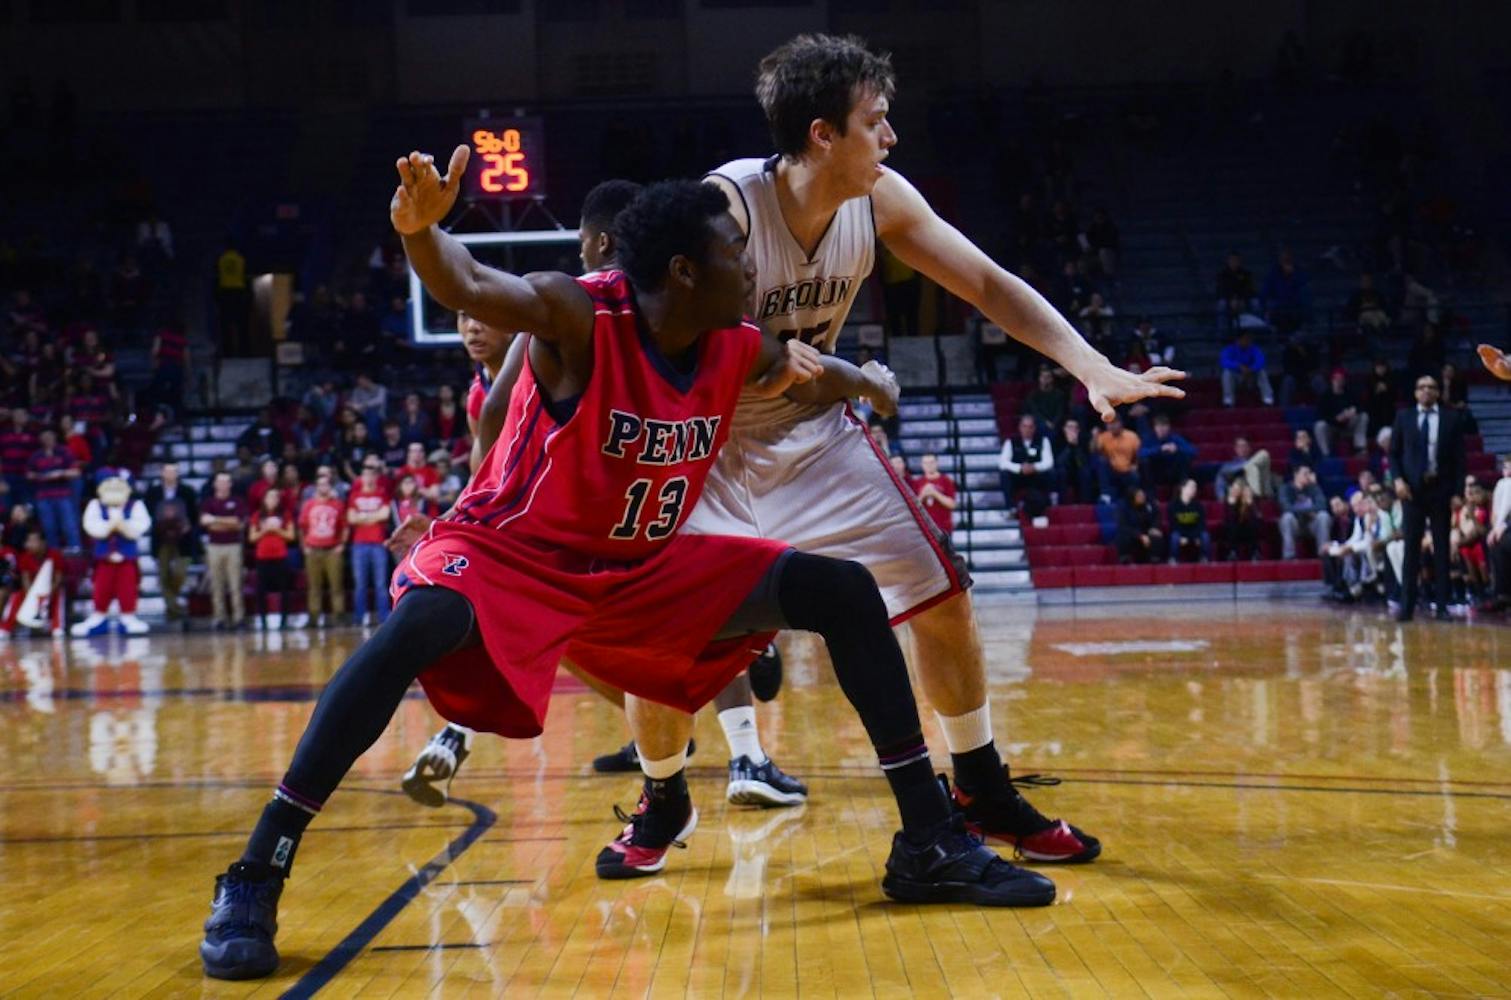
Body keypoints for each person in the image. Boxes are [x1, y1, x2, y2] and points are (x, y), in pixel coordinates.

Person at [197, 175, 1057, 983]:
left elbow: (806, 371)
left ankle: (927, 840)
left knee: (842, 591)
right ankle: (257, 868)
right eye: (733, 252)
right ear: (683, 271)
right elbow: (471, 284)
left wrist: (866, 385)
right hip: (514, 555)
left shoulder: (733, 344)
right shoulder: (577, 313)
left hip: (636, 570)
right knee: (416, 628)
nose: (749, 268)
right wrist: (421, 231)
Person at [1389, 373, 1468, 621]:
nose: (1426, 390)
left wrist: (1458, 492)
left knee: (1441, 549)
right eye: (1421, 386)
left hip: (1440, 489)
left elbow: (1460, 460)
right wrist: (1398, 480)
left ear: (1438, 392)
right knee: (1411, 548)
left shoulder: (1451, 418)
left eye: (1431, 387)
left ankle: (1442, 606)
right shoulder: (1404, 417)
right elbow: (1393, 454)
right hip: (1412, 491)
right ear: (1415, 392)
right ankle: (1407, 607)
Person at [145, 462, 198, 625]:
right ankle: (175, 608)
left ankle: (172, 607)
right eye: (168, 471)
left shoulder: (187, 491)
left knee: (180, 573)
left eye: (174, 471)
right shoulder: (153, 492)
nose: (171, 474)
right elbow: (148, 513)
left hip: (183, 539)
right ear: (162, 473)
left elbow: (194, 515)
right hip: (161, 539)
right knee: (163, 575)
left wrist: (187, 526)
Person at [346, 457, 392, 627]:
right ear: (361, 478)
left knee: (381, 583)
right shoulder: (354, 495)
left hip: (378, 543)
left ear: (376, 477)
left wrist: (363, 517)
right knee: (360, 584)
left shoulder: (382, 493)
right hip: (359, 544)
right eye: (365, 475)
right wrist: (374, 516)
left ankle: (384, 618)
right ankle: (359, 619)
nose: (369, 478)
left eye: (372, 475)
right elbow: (351, 518)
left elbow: (385, 514)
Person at [298, 470, 347, 627]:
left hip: (333, 550)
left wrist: (342, 545)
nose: (323, 487)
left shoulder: (338, 504)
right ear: (316, 487)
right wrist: (304, 546)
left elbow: (345, 527)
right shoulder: (308, 505)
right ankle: (313, 618)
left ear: (330, 487)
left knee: (336, 586)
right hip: (313, 549)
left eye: (326, 485)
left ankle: (339, 617)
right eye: (320, 485)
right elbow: (301, 527)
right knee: (314, 587)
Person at [200, 471, 248, 630]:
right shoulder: (208, 502)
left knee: (236, 584)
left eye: (226, 481)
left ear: (230, 484)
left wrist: (215, 519)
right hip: (214, 547)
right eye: (220, 481)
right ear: (215, 484)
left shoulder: (238, 501)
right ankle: (219, 618)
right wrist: (227, 523)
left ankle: (238, 618)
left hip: (234, 546)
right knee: (216, 584)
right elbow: (206, 524)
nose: (223, 484)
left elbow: (238, 523)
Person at [0, 528, 65, 638]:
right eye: (28, 541)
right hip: (31, 592)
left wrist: (47, 594)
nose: (29, 544)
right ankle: (5, 628)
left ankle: (57, 627)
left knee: (60, 594)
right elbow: (25, 579)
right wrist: (32, 596)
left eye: (33, 541)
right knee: (16, 596)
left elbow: (58, 579)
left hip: (51, 590)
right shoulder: (25, 557)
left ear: (43, 543)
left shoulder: (55, 555)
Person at [248, 488, 296, 630]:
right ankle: (263, 622)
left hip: (280, 557)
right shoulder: (257, 515)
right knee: (261, 591)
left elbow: (291, 536)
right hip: (263, 558)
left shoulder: (285, 514)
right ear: (264, 500)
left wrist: (277, 530)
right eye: (270, 497)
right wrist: (265, 530)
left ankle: (284, 621)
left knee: (284, 591)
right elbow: (252, 537)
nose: (272, 500)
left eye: (275, 497)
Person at [27, 427, 81, 551]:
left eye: (50, 436)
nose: (47, 439)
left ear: (55, 437)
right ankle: (53, 552)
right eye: (44, 437)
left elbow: (76, 472)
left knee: (69, 524)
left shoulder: (64, 452)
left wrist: (60, 473)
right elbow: (29, 474)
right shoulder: (36, 455)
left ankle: (75, 548)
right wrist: (41, 476)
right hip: (43, 496)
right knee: (49, 527)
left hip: (62, 495)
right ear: (41, 439)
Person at [997, 414, 1054, 516]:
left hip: (1036, 476)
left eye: (1030, 427)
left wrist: (1034, 467)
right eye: (1024, 426)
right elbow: (1002, 463)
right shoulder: (1011, 442)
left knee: (1050, 472)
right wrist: (1020, 468)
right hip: (1018, 476)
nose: (1027, 430)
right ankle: (1011, 508)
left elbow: (1049, 462)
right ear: (1020, 427)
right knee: (1004, 474)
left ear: (1034, 428)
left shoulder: (1043, 441)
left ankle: (1049, 503)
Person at [1278, 465, 1330, 560]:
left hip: (1311, 524)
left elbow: (1322, 505)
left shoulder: (1314, 488)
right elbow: (1286, 507)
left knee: (1323, 516)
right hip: (1295, 524)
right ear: (1296, 475)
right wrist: (1308, 511)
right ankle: (1289, 557)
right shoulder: (1286, 488)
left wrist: (1300, 511)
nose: (1308, 476)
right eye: (1305, 474)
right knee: (1287, 517)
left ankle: (1324, 554)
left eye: (1309, 474)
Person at [1314, 367, 1368, 456]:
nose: (1338, 381)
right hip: (1333, 428)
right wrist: (1336, 419)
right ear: (1332, 380)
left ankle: (1360, 447)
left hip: (1348, 426)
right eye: (1336, 378)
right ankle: (1326, 454)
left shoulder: (1350, 392)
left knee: (1364, 416)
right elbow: (1321, 415)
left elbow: (1361, 406)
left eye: (1341, 379)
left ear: (1344, 380)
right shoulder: (1325, 396)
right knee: (1319, 425)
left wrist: (1353, 411)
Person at [1137, 413, 1195, 492]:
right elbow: (1141, 453)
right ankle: (1150, 493)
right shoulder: (1149, 438)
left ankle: (1182, 490)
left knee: (1185, 457)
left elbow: (1193, 451)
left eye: (1164, 426)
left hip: (1172, 470)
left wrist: (1177, 449)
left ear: (1169, 427)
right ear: (1154, 428)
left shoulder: (1175, 438)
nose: (1161, 429)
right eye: (1159, 427)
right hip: (1156, 472)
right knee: (1144, 461)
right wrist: (1159, 449)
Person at [1482, 454, 1511, 610]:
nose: (1508, 471)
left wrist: (1504, 526)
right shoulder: (1502, 484)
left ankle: (1503, 593)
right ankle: (1500, 594)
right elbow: (1495, 514)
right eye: (1505, 467)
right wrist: (1496, 528)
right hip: (1503, 528)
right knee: (1495, 542)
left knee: (1502, 542)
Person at [1219, 331, 1275, 407]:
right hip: (1237, 378)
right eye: (1245, 339)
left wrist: (1251, 369)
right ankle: (1228, 400)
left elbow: (1261, 361)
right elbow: (1224, 361)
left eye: (1249, 339)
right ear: (1238, 340)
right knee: (1227, 372)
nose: (1247, 341)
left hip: (1251, 377)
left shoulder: (1254, 349)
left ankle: (1267, 399)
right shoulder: (1229, 349)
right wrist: (1239, 366)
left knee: (1261, 371)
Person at [1094, 414, 1140, 502]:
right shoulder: (1103, 437)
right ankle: (1106, 495)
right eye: (1109, 424)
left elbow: (1139, 454)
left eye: (1114, 423)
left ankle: (1137, 497)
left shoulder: (1132, 436)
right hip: (1112, 472)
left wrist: (1135, 465)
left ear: (1120, 423)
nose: (1111, 426)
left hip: (1128, 471)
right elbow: (1095, 452)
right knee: (1101, 462)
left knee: (1136, 474)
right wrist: (1094, 439)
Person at [910, 453, 958, 535]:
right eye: (926, 463)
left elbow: (952, 504)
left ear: (936, 463)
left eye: (931, 462)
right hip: (924, 528)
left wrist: (935, 493)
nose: (929, 465)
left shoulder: (946, 481)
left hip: (943, 528)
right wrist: (923, 494)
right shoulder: (917, 483)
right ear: (922, 465)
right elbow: (913, 508)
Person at [1214, 436, 1273, 500]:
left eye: (1245, 446)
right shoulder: (1228, 466)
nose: (1242, 449)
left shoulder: (1258, 463)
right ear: (1235, 449)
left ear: (1250, 448)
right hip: (1235, 494)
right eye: (1239, 446)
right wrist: (1221, 496)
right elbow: (1220, 483)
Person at [1115, 487, 1164, 564]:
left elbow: (1156, 517)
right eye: (1139, 496)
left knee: (1157, 535)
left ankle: (1155, 560)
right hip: (1133, 534)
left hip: (1147, 532)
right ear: (1132, 498)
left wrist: (1154, 528)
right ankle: (1125, 560)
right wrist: (1140, 536)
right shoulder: (1123, 507)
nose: (1142, 497)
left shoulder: (1150, 504)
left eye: (1143, 495)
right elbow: (1124, 526)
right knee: (1122, 536)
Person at [1167, 478, 1209, 562]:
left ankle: (1204, 558)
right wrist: (1184, 537)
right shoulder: (1173, 505)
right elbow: (1174, 525)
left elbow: (1201, 525)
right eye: (1191, 487)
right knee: (1174, 536)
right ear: (1183, 488)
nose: (1194, 489)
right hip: (1180, 533)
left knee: (1205, 536)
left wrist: (1194, 537)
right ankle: (1173, 559)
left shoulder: (1199, 506)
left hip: (1194, 532)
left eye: (1195, 487)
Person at [1223, 479, 1262, 560]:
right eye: (1235, 489)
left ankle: (1255, 553)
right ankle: (1232, 552)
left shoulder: (1254, 500)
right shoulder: (1230, 500)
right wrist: (1231, 505)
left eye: (1239, 489)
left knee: (1253, 525)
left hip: (1248, 530)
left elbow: (1258, 518)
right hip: (1235, 530)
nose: (1236, 491)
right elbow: (1228, 519)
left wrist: (1250, 505)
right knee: (1231, 526)